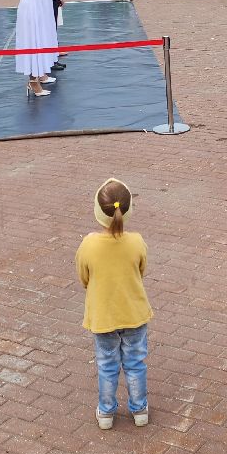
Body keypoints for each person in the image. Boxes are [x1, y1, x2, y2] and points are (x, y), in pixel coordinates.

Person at [78, 178, 152, 430]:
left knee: (107, 365)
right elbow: (141, 270)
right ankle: (139, 409)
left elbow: (83, 277)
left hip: (103, 316)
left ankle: (107, 412)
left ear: (98, 212)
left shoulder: (88, 245)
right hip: (134, 313)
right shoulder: (136, 241)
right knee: (135, 363)